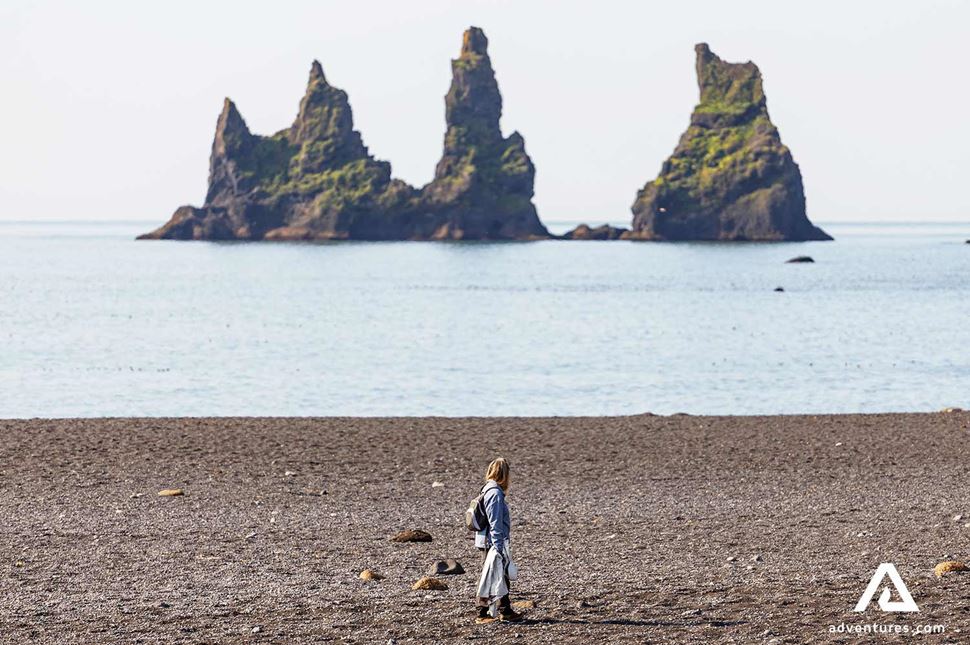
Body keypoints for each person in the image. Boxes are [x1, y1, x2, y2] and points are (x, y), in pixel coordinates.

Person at [474, 457, 523, 622]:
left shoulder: (487, 489)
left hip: (488, 541)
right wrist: (499, 546)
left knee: (499, 576)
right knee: (492, 575)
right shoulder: (494, 494)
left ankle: (505, 610)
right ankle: (482, 613)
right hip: (492, 542)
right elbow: (495, 522)